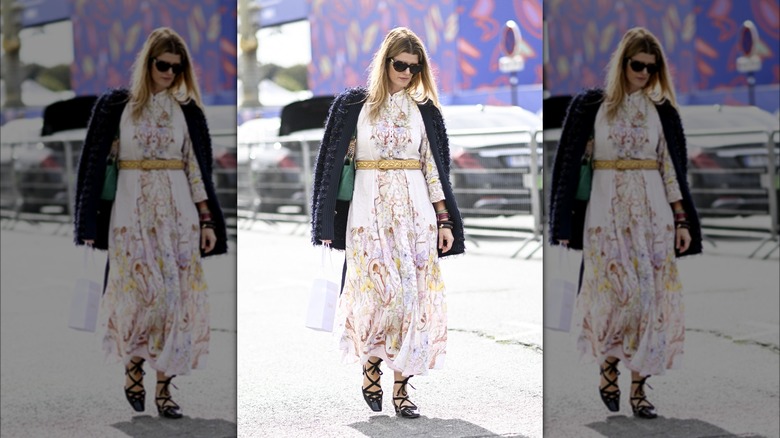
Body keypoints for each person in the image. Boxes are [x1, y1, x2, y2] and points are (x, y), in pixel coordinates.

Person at [73, 27, 228, 419]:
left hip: (179, 217)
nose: (170, 73)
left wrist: (207, 221)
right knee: (140, 298)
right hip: (130, 217)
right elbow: (95, 166)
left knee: (175, 302)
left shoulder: (186, 110)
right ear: (148, 63)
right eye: (163, 65)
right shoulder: (117, 106)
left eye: (177, 68)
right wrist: (88, 222)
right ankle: (133, 367)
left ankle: (164, 389)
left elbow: (196, 168)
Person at [310, 27, 465, 418]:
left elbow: (434, 168)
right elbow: (333, 165)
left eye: (415, 67)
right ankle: (371, 365)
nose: (407, 73)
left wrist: (444, 220)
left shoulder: (425, 110)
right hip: (368, 215)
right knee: (381, 298)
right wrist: (326, 220)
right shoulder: (354, 105)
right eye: (400, 65)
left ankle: (401, 390)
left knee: (412, 302)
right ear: (385, 62)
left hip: (417, 217)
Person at [548, 27, 702, 419]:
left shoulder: (661, 110)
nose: (644, 73)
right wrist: (563, 222)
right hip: (605, 218)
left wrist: (682, 220)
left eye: (652, 68)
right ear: (623, 63)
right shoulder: (592, 106)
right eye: (638, 65)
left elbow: (671, 168)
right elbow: (569, 166)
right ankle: (608, 367)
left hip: (654, 218)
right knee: (615, 299)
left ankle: (639, 389)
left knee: (649, 302)